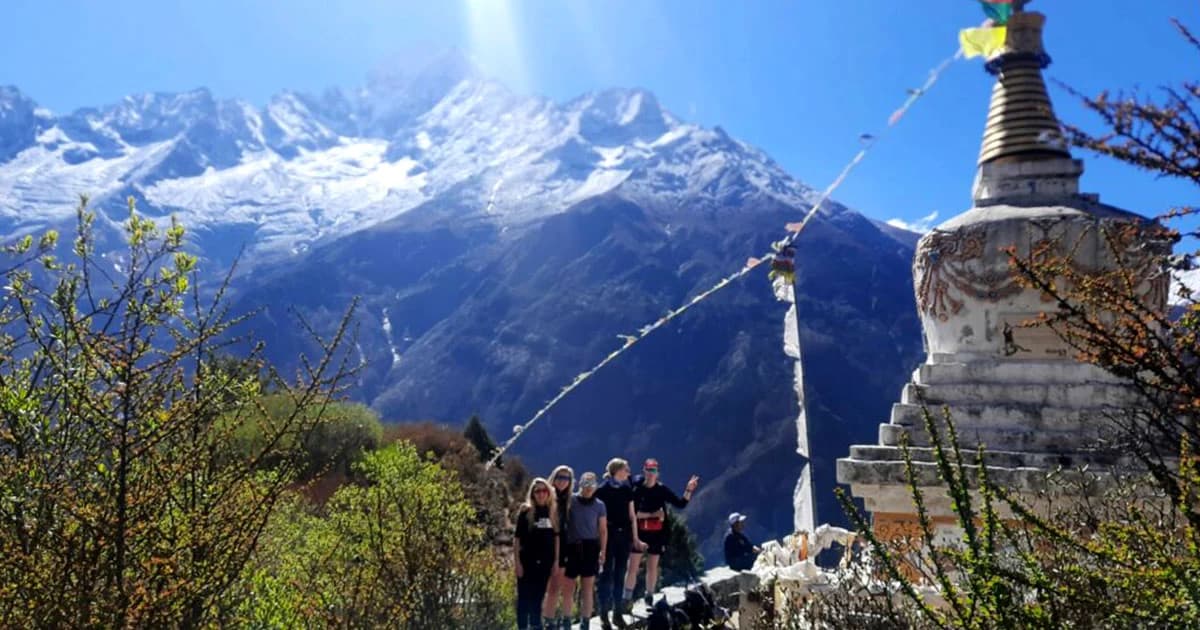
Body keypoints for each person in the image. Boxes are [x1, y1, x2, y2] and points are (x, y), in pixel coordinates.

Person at [623, 458, 699, 609]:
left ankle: (649, 595)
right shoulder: (636, 488)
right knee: (633, 566)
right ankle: (626, 599)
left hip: (657, 534)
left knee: (652, 566)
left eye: (654, 470)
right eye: (648, 470)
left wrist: (689, 489)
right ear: (644, 470)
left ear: (657, 473)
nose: (651, 473)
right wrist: (653, 514)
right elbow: (632, 514)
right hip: (638, 533)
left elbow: (680, 504)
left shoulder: (661, 490)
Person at [593, 458, 644, 629]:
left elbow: (632, 516)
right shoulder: (602, 490)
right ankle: (603, 615)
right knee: (606, 575)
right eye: (625, 469)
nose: (628, 471)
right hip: (608, 535)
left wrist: (635, 538)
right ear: (617, 470)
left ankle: (617, 613)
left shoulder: (626, 489)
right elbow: (597, 518)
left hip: (624, 536)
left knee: (620, 573)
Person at [514, 478, 559, 630]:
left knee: (537, 599)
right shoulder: (525, 511)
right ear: (533, 493)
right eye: (537, 491)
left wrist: (556, 561)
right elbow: (517, 539)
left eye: (544, 490)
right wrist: (517, 563)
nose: (541, 494)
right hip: (526, 563)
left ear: (549, 492)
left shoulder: (552, 511)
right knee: (523, 601)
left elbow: (556, 538)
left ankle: (536, 626)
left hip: (545, 563)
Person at [564, 472, 608, 629]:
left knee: (587, 588)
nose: (588, 490)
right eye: (585, 486)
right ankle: (567, 621)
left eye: (591, 487)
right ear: (580, 485)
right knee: (568, 587)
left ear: (595, 487)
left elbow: (602, 530)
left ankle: (585, 621)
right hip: (572, 547)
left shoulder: (600, 505)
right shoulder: (572, 501)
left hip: (591, 548)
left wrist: (603, 551)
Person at [543, 465, 575, 629]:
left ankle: (550, 620)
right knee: (546, 587)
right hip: (545, 547)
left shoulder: (568, 501)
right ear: (554, 478)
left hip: (563, 548)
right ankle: (546, 620)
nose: (563, 482)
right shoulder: (546, 497)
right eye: (560, 478)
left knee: (556, 586)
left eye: (567, 479)